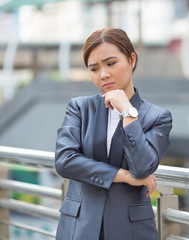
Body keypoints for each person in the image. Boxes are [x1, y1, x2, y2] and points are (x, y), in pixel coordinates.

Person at [54, 28, 172, 240]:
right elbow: (65, 161)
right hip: (79, 228)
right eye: (94, 68)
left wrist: (127, 112)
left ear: (131, 59)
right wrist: (123, 176)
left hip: (130, 231)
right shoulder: (80, 108)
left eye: (111, 63)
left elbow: (143, 167)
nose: (103, 75)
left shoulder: (157, 117)